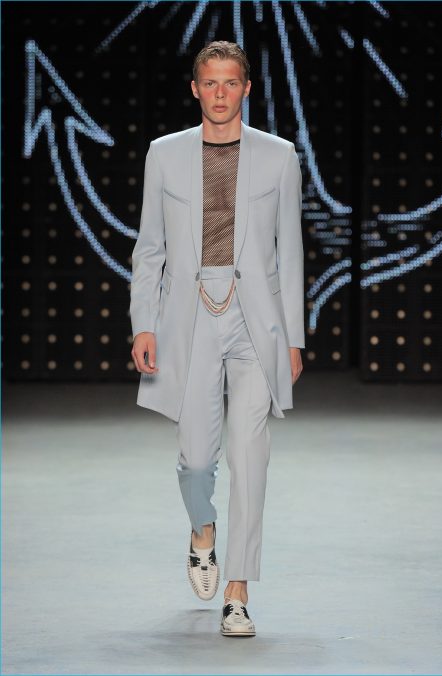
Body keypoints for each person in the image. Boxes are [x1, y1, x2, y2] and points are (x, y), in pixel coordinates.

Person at [130, 40, 304, 637]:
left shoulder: (279, 156)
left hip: (257, 319)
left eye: (231, 82)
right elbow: (149, 247)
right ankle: (202, 530)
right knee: (198, 458)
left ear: (247, 88)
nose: (221, 93)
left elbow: (290, 252)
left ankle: (238, 590)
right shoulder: (164, 154)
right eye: (211, 82)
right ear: (195, 88)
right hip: (189, 317)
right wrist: (144, 323)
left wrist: (293, 337)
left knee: (250, 453)